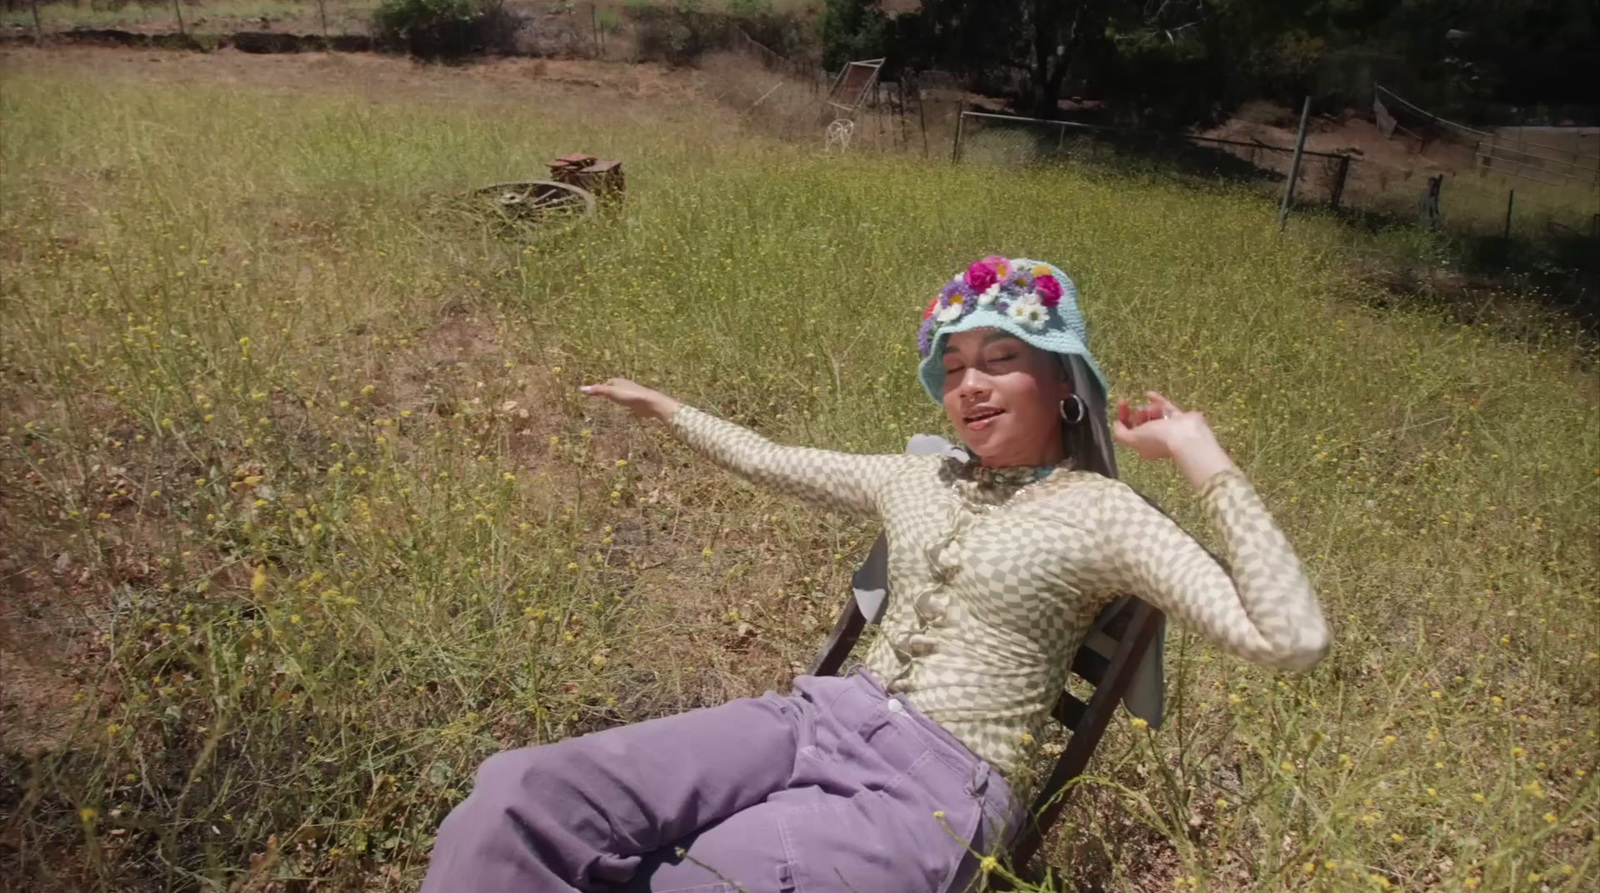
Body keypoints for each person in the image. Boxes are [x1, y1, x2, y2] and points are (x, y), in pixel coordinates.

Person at [420, 256, 1330, 893]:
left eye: (1001, 360)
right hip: (819, 718)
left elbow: (1291, 639)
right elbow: (775, 460)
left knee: (686, 880)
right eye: (956, 367)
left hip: (938, 789)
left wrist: (1202, 455)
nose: (970, 385)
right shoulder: (918, 474)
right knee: (520, 797)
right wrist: (667, 407)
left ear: (1064, 385)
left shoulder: (1107, 515)